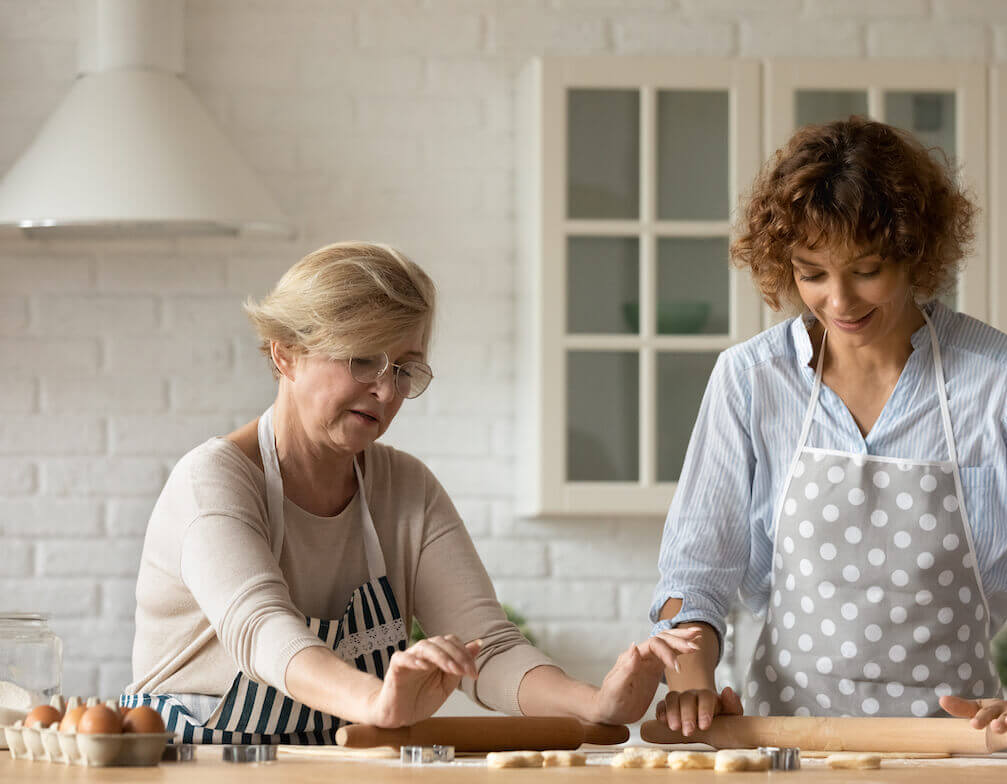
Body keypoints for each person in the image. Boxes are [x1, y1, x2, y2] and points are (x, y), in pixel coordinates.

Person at [648, 117, 1007, 737]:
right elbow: (695, 576)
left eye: (866, 269)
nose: (838, 302)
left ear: (916, 251)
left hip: (952, 752)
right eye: (812, 272)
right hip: (784, 748)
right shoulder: (750, 380)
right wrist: (691, 689)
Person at [123, 241, 698, 744]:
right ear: (284, 353)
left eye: (404, 368)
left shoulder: (406, 490)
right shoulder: (215, 480)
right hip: (192, 763)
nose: (384, 389)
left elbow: (488, 647)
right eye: (362, 359)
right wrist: (377, 703)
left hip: (332, 766)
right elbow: (263, 632)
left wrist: (594, 703)